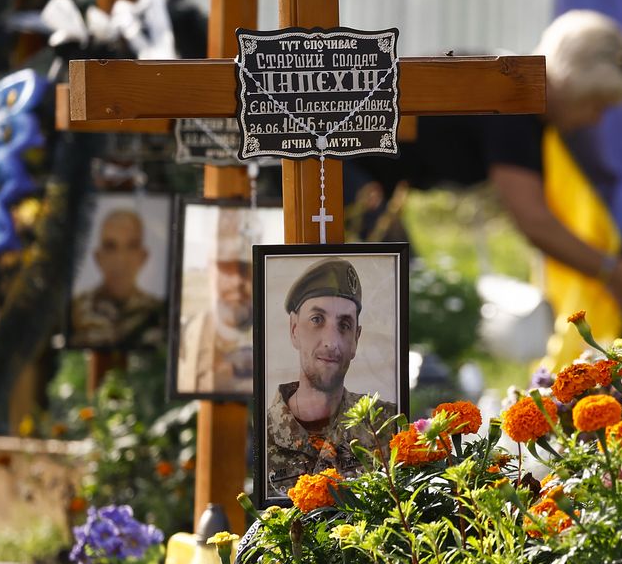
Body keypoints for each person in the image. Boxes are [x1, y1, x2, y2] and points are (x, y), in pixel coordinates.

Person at [346, 10, 622, 303]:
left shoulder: (513, 88)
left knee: (404, 284)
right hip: (338, 162)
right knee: (402, 289)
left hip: (363, 171)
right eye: (597, 103)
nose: (595, 119)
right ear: (576, 83)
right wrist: (613, 272)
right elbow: (535, 222)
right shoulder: (512, 104)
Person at [264, 256, 399, 493]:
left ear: (356, 339)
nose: (331, 341)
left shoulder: (386, 426)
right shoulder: (261, 434)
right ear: (294, 330)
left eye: (344, 325)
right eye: (317, 320)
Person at [176, 207, 259, 396]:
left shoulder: (277, 334)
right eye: (226, 268)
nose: (237, 281)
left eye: (245, 268)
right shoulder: (185, 336)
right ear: (210, 268)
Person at [71, 206, 164, 348]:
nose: (121, 259)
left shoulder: (160, 312)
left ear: (143, 256)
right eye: (110, 247)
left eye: (131, 246)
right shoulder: (74, 311)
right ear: (98, 257)